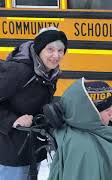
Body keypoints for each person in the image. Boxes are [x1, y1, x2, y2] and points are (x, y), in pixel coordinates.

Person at [0, 27, 68, 180]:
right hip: (10, 150)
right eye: (50, 49)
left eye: (60, 50)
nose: (56, 55)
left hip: (32, 147)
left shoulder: (50, 73)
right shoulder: (19, 70)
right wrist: (13, 120)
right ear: (39, 49)